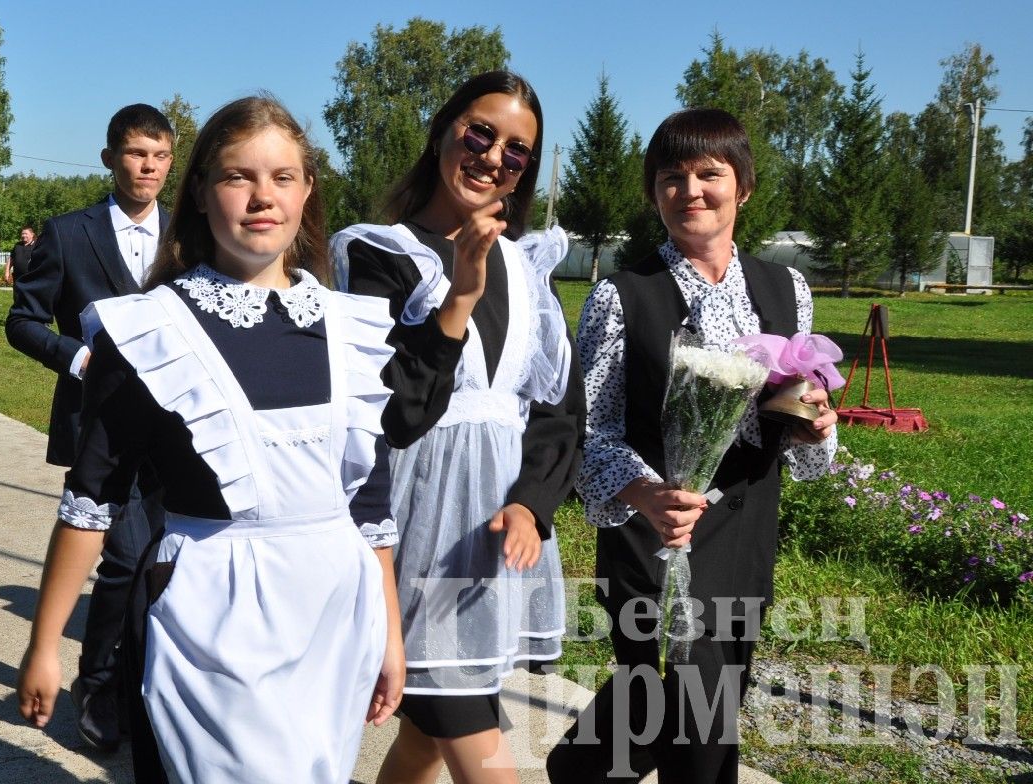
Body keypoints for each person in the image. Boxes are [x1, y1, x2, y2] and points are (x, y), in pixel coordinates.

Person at [16, 95, 405, 784]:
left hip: (332, 619)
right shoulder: (149, 333)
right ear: (198, 191)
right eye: (237, 177)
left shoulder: (351, 331)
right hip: (209, 621)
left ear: (308, 188)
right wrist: (46, 644)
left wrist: (390, 638)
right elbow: (90, 500)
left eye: (283, 177)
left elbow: (369, 507)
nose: (263, 197)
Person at [547, 108, 838, 784]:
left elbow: (797, 423)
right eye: (671, 177)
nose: (691, 190)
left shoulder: (785, 289)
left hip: (743, 533)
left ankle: (579, 770)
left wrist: (815, 425)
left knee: (690, 706)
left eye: (710, 173)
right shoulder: (623, 296)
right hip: (654, 535)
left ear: (744, 187)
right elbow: (588, 432)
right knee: (694, 721)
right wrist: (647, 493)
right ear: (654, 193)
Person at [332, 70, 584, 784]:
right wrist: (459, 299)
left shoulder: (529, 268)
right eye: (480, 133)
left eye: (517, 150)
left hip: (498, 538)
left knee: (425, 734)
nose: (493, 157)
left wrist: (533, 504)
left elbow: (559, 411)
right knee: (471, 737)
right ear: (443, 131)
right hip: (411, 534)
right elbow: (398, 413)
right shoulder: (377, 254)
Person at [6, 103, 174, 753]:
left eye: (160, 157)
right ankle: (98, 685)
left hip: (180, 428)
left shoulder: (190, 234)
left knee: (164, 562)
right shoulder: (68, 234)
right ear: (110, 158)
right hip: (99, 421)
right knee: (126, 556)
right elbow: (23, 321)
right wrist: (79, 357)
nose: (148, 168)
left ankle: (147, 682)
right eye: (137, 154)